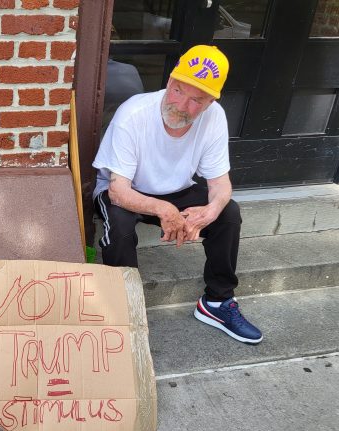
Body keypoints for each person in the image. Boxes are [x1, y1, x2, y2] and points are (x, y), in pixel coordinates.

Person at [92, 45, 262, 344]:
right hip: (124, 189)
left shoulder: (215, 118)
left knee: (228, 213)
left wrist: (210, 210)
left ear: (210, 102)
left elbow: (220, 184)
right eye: (178, 90)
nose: (182, 105)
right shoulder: (134, 112)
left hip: (176, 189)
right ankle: (123, 313)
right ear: (170, 80)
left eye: (197, 99)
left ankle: (216, 303)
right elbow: (118, 191)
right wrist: (163, 209)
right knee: (119, 228)